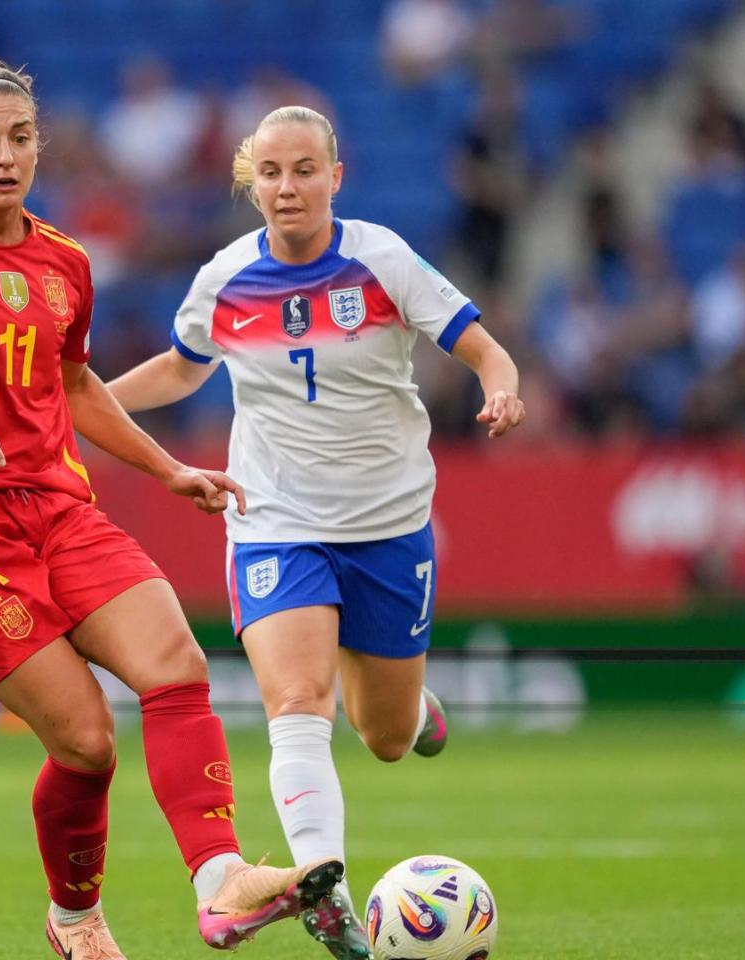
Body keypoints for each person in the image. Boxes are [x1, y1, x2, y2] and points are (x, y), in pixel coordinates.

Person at [0, 57, 343, 959]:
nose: (5, 157)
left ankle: (221, 880)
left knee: (176, 663)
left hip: (57, 506)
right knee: (85, 743)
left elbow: (72, 382)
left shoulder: (64, 261)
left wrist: (166, 469)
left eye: (21, 138)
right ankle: (74, 919)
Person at [107, 105, 526, 960]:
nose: (287, 187)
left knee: (381, 735)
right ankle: (322, 885)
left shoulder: (383, 261)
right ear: (249, 181)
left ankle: (410, 713)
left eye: (305, 170)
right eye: (271, 172)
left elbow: (482, 348)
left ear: (337, 175)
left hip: (387, 525)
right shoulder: (224, 278)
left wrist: (503, 388)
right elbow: (183, 369)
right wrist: (90, 403)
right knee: (296, 705)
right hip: (275, 521)